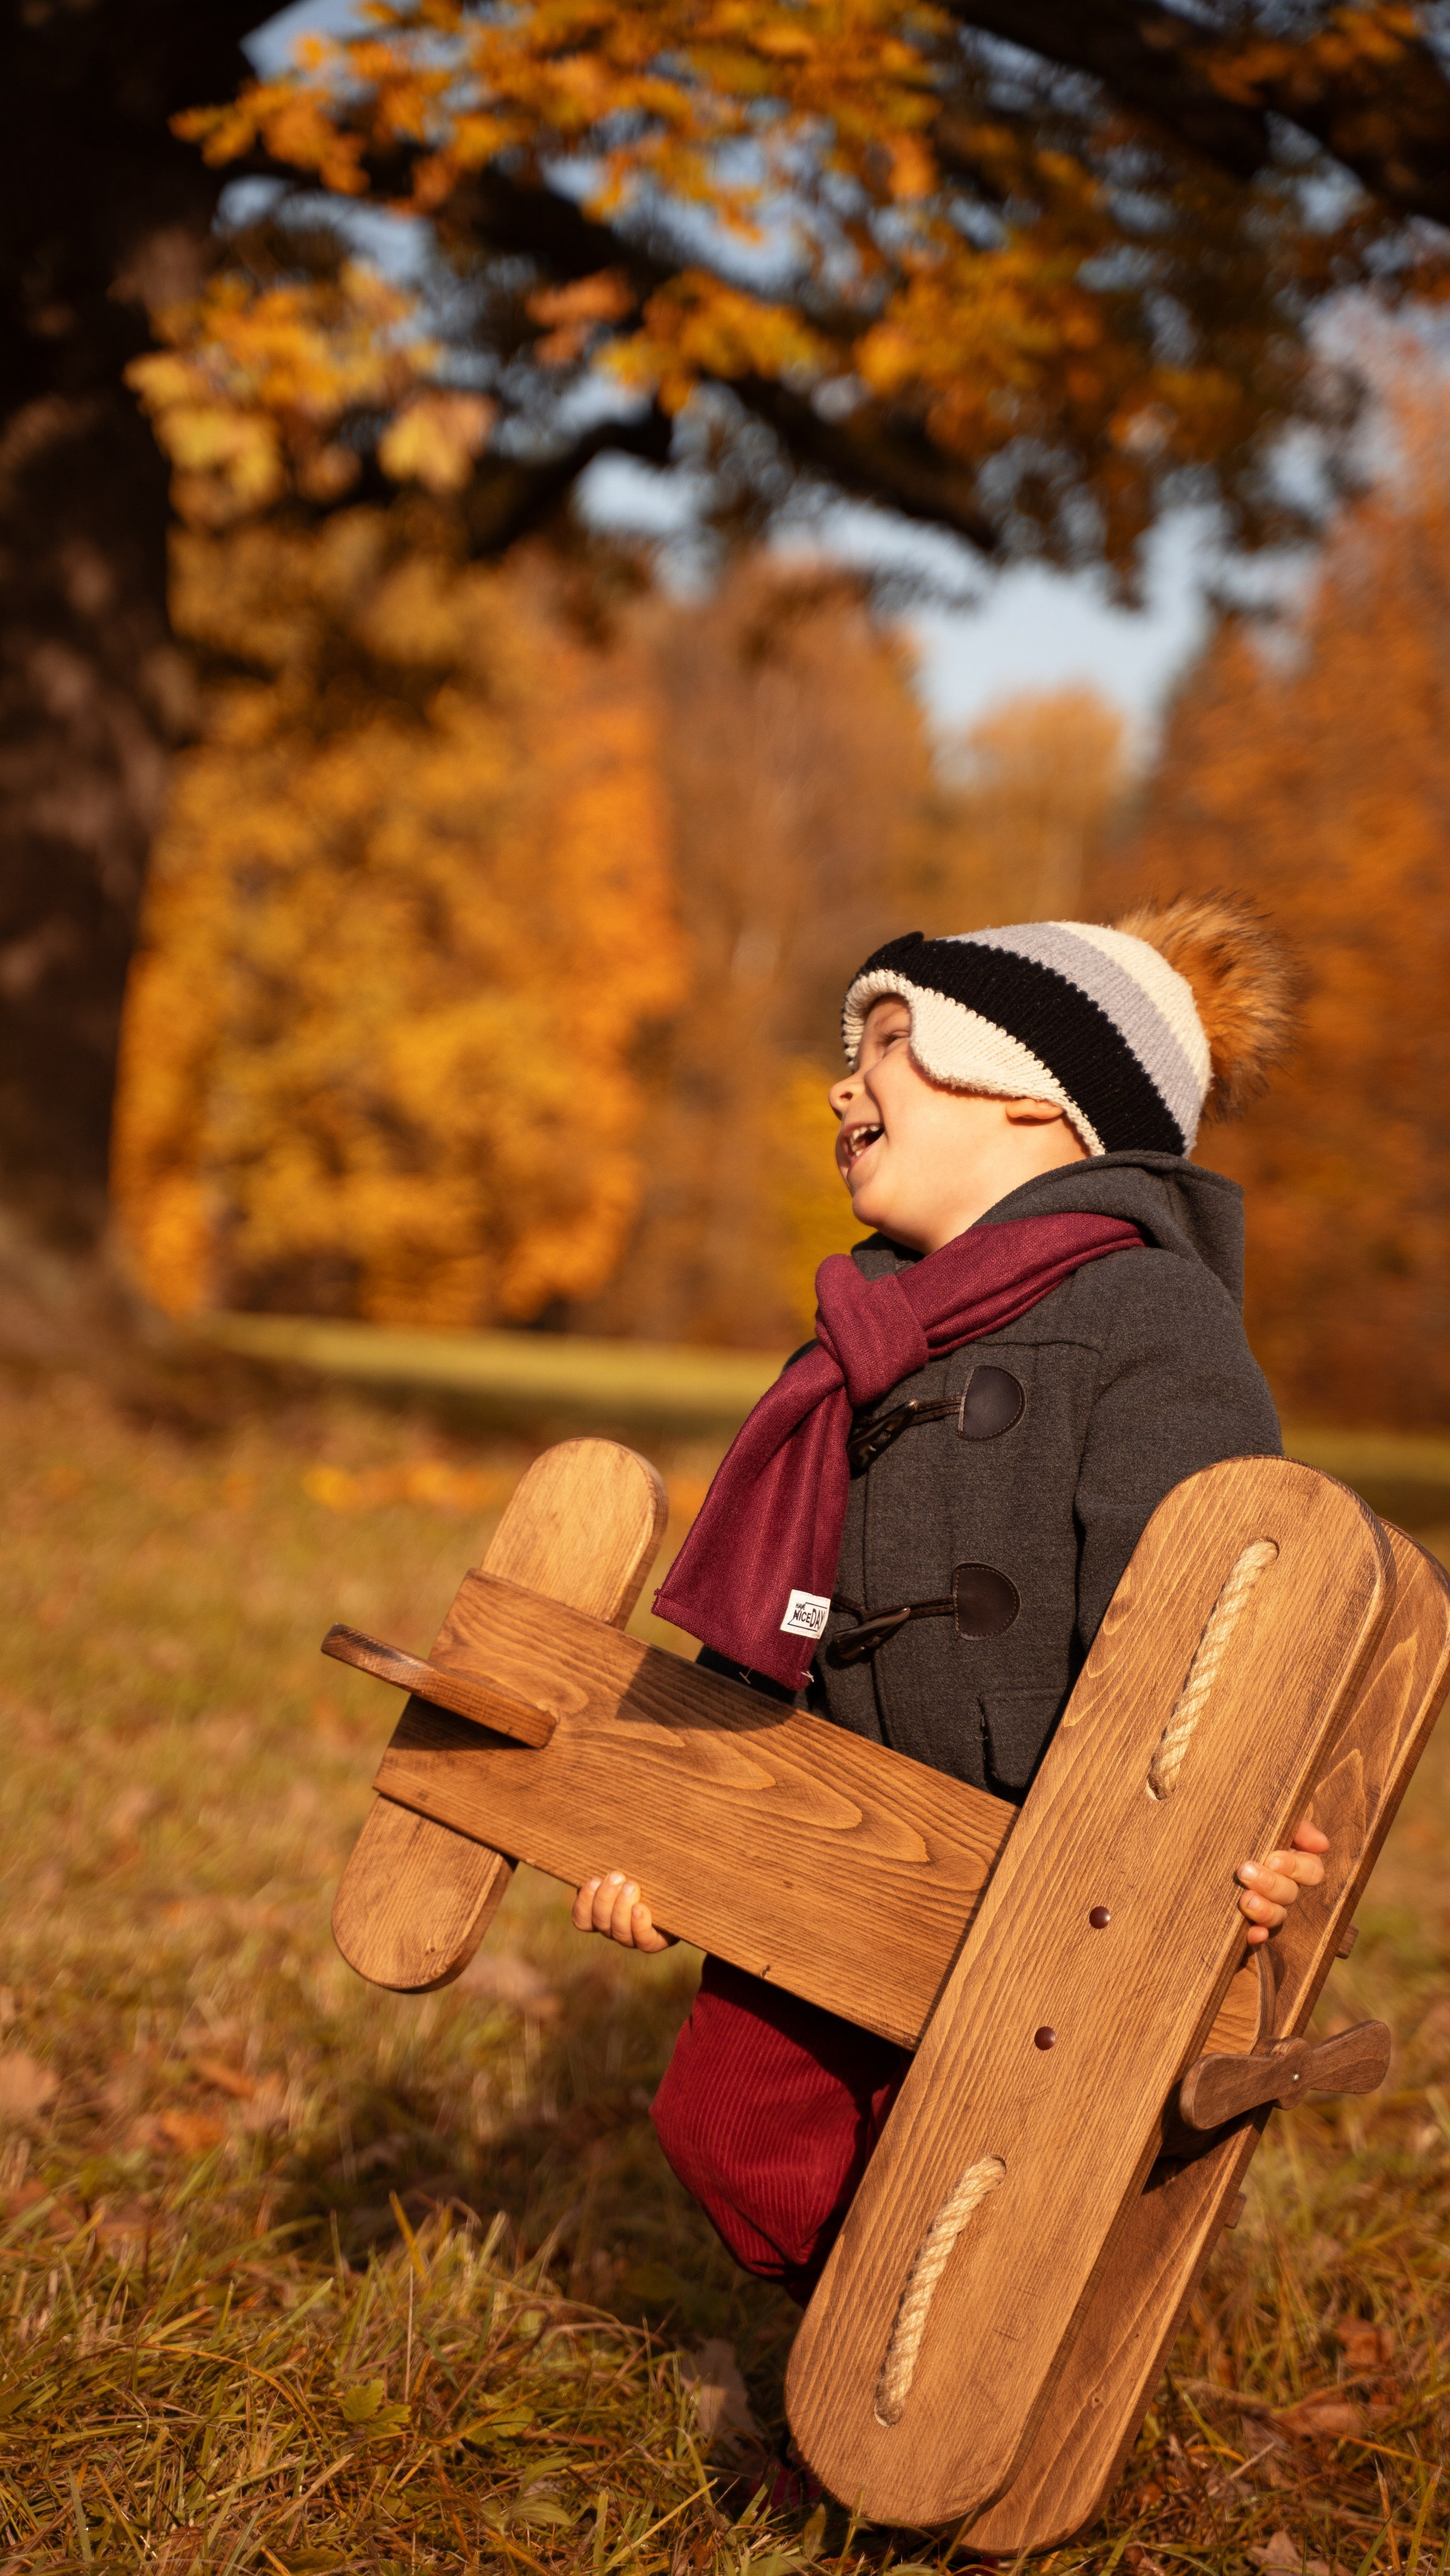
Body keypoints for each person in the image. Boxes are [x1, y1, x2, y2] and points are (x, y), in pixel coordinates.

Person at [572, 896, 1327, 2306]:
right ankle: (868, 2332)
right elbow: (781, 1608)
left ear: (1032, 1095)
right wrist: (673, 1829)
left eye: (891, 1041)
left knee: (988, 2163)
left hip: (1057, 1879)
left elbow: (1224, 1620)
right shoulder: (865, 1331)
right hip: (845, 1832)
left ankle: (930, 2403)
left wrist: (1243, 1821)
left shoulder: (1148, 1317)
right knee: (729, 2120)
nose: (842, 1082)